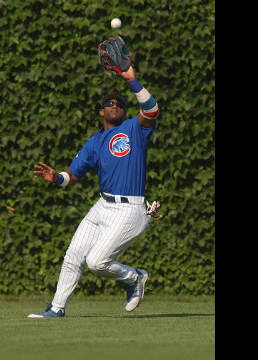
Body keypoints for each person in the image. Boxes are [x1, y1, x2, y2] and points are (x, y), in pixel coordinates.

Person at [28, 54, 160, 318]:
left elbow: (151, 110)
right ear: (101, 111)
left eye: (120, 104)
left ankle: (134, 278)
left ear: (124, 112)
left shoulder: (135, 130)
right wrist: (56, 178)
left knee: (96, 262)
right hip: (103, 206)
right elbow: (72, 174)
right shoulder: (94, 142)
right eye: (109, 104)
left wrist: (132, 81)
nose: (115, 106)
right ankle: (56, 308)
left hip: (129, 210)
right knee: (74, 254)